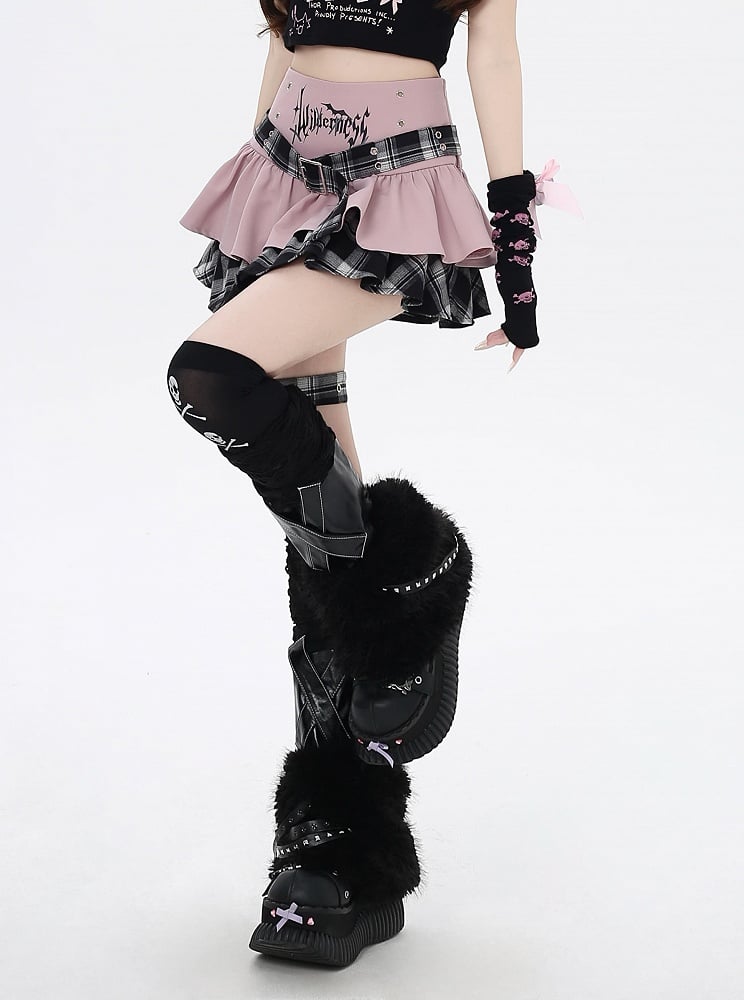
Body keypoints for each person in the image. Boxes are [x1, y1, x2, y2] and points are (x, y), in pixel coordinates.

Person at [165, 0, 549, 967]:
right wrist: (255, 202)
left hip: (397, 182)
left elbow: (496, 59)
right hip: (286, 168)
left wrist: (515, 248)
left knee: (209, 376)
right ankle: (340, 848)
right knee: (316, 549)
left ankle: (422, 575)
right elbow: (286, 44)